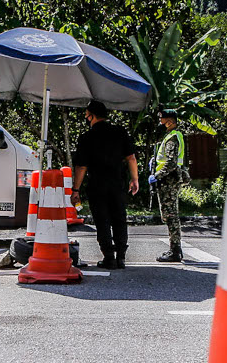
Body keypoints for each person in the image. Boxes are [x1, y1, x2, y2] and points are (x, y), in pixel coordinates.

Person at [71, 100, 139, 269]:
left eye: (87, 115)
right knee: (119, 218)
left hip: (97, 184)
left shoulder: (86, 137)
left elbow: (81, 167)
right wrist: (134, 179)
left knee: (102, 220)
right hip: (117, 183)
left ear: (91, 116)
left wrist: (75, 189)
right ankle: (121, 257)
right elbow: (131, 157)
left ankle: (109, 257)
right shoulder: (120, 132)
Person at [149, 109, 189, 262]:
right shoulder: (170, 136)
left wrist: (156, 175)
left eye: (162, 119)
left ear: (170, 121)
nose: (160, 122)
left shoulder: (173, 137)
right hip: (168, 180)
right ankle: (175, 248)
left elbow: (171, 163)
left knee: (171, 215)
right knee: (169, 214)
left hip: (169, 180)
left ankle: (175, 250)